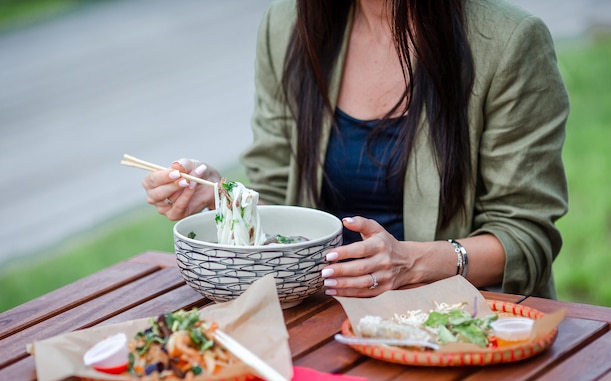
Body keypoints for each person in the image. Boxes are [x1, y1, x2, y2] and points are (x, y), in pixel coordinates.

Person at [141, 0, 569, 300]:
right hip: (320, 313)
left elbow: (525, 238)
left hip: (454, 321)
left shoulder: (507, 41)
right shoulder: (287, 25)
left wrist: (409, 261)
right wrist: (225, 198)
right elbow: (283, 200)